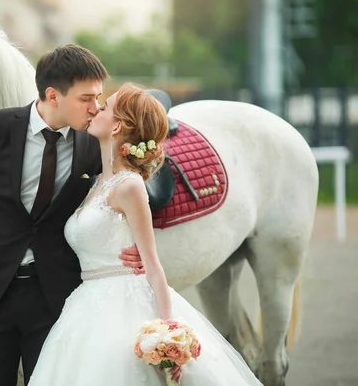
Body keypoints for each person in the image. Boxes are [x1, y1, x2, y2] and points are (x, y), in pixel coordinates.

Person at [27, 83, 263, 385]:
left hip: (124, 305)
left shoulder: (130, 186)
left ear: (118, 127)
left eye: (106, 106)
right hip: (84, 308)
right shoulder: (96, 182)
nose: (96, 108)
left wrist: (170, 336)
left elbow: (153, 266)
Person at [0, 44, 144, 386]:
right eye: (86, 98)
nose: (95, 108)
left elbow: (126, 191)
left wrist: (132, 245)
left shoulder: (95, 143)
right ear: (53, 94)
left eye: (98, 98)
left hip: (56, 299)